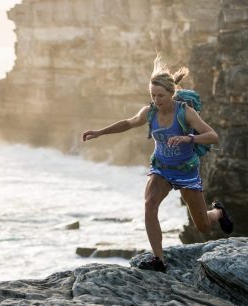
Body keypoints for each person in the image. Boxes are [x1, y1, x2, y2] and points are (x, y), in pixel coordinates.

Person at [81, 55, 233, 272]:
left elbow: (213, 136)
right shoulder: (150, 111)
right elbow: (129, 122)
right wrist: (100, 132)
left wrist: (187, 138)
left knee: (203, 226)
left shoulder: (185, 112)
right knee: (149, 206)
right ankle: (158, 260)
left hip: (185, 171)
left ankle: (218, 212)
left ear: (172, 94)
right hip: (161, 169)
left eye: (161, 96)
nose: (156, 100)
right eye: (153, 95)